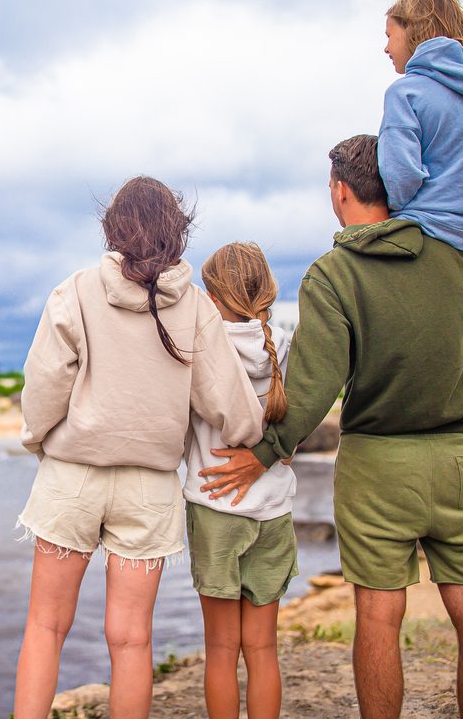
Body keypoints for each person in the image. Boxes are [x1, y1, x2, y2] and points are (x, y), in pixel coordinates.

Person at [201, 135, 463, 719]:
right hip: (459, 454)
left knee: (381, 617)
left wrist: (265, 452)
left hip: (378, 464)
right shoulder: (446, 253)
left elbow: (312, 387)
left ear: (340, 191)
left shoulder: (333, 274)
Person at [13, 176, 265, 719]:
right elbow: (232, 406)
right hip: (150, 489)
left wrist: (40, 442)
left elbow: (43, 388)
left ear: (112, 228)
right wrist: (253, 440)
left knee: (45, 626)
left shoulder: (74, 290)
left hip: (71, 477)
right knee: (130, 642)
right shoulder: (195, 307)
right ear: (178, 233)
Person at [183, 242, 297, 719]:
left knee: (221, 650)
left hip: (215, 510)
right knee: (263, 650)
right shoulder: (286, 346)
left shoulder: (199, 349)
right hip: (274, 510)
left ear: (211, 297)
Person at [379, 0, 463, 255]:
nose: (386, 47)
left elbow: (401, 178)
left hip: (428, 230)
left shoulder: (405, 92)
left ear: (412, 31)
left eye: (389, 35)